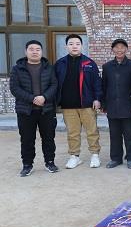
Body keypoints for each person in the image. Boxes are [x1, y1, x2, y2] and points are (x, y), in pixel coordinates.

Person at [9, 40, 59, 176]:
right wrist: (32, 98)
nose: (35, 52)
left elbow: (54, 85)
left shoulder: (49, 68)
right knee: (27, 139)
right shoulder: (17, 69)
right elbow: (14, 88)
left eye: (38, 49)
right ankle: (27, 165)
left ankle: (50, 162)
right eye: (31, 49)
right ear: (26, 52)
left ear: (41, 52)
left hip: (46, 109)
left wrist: (44, 97)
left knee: (49, 138)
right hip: (25, 111)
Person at [55, 34, 103, 169]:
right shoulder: (60, 64)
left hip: (87, 104)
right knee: (72, 132)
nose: (74, 46)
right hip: (68, 105)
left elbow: (97, 83)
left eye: (77, 44)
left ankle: (95, 155)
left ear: (82, 46)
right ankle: (74, 156)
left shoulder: (89, 63)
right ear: (66, 46)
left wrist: (97, 99)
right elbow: (54, 83)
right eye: (71, 44)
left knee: (92, 131)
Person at [101, 39, 131, 169]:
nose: (119, 50)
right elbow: (104, 86)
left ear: (126, 49)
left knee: (130, 134)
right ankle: (116, 158)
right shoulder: (107, 67)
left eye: (122, 47)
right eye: (116, 47)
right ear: (113, 50)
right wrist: (104, 104)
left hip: (129, 106)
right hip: (112, 106)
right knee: (114, 135)